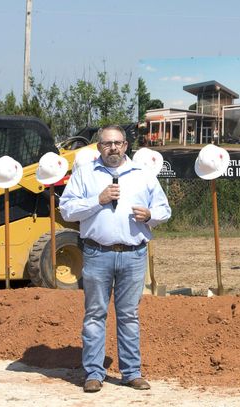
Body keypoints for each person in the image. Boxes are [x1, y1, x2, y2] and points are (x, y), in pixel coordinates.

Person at [59, 125, 171, 393]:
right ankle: (94, 374)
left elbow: (164, 209)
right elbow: (66, 210)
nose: (113, 148)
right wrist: (97, 200)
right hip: (97, 253)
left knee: (129, 316)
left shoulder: (143, 175)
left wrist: (150, 215)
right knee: (95, 315)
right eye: (107, 143)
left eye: (118, 143)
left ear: (126, 145)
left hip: (133, 255)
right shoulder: (84, 174)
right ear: (99, 147)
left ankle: (131, 373)